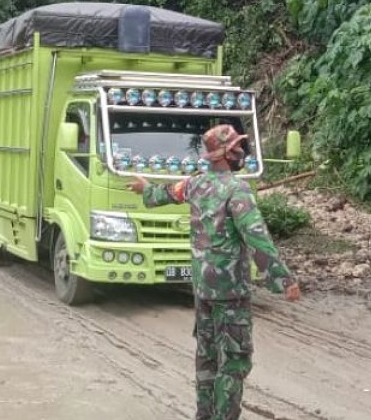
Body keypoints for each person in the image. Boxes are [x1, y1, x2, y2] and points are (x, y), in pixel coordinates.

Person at [127, 124, 301, 420]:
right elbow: (256, 236)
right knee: (233, 363)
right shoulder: (237, 189)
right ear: (224, 154)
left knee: (206, 359)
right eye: (236, 148)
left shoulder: (196, 184)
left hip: (203, 289)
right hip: (230, 292)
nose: (241, 153)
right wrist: (283, 279)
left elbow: (167, 194)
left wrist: (146, 189)